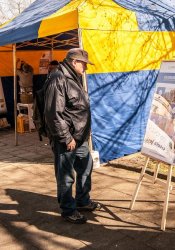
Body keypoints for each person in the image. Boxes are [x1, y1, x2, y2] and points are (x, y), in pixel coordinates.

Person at [44, 48, 100, 224]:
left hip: (79, 136)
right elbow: (53, 114)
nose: (86, 68)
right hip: (67, 138)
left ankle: (82, 201)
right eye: (84, 64)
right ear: (74, 62)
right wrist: (66, 138)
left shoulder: (73, 77)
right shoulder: (58, 78)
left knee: (86, 165)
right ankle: (68, 210)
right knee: (66, 175)